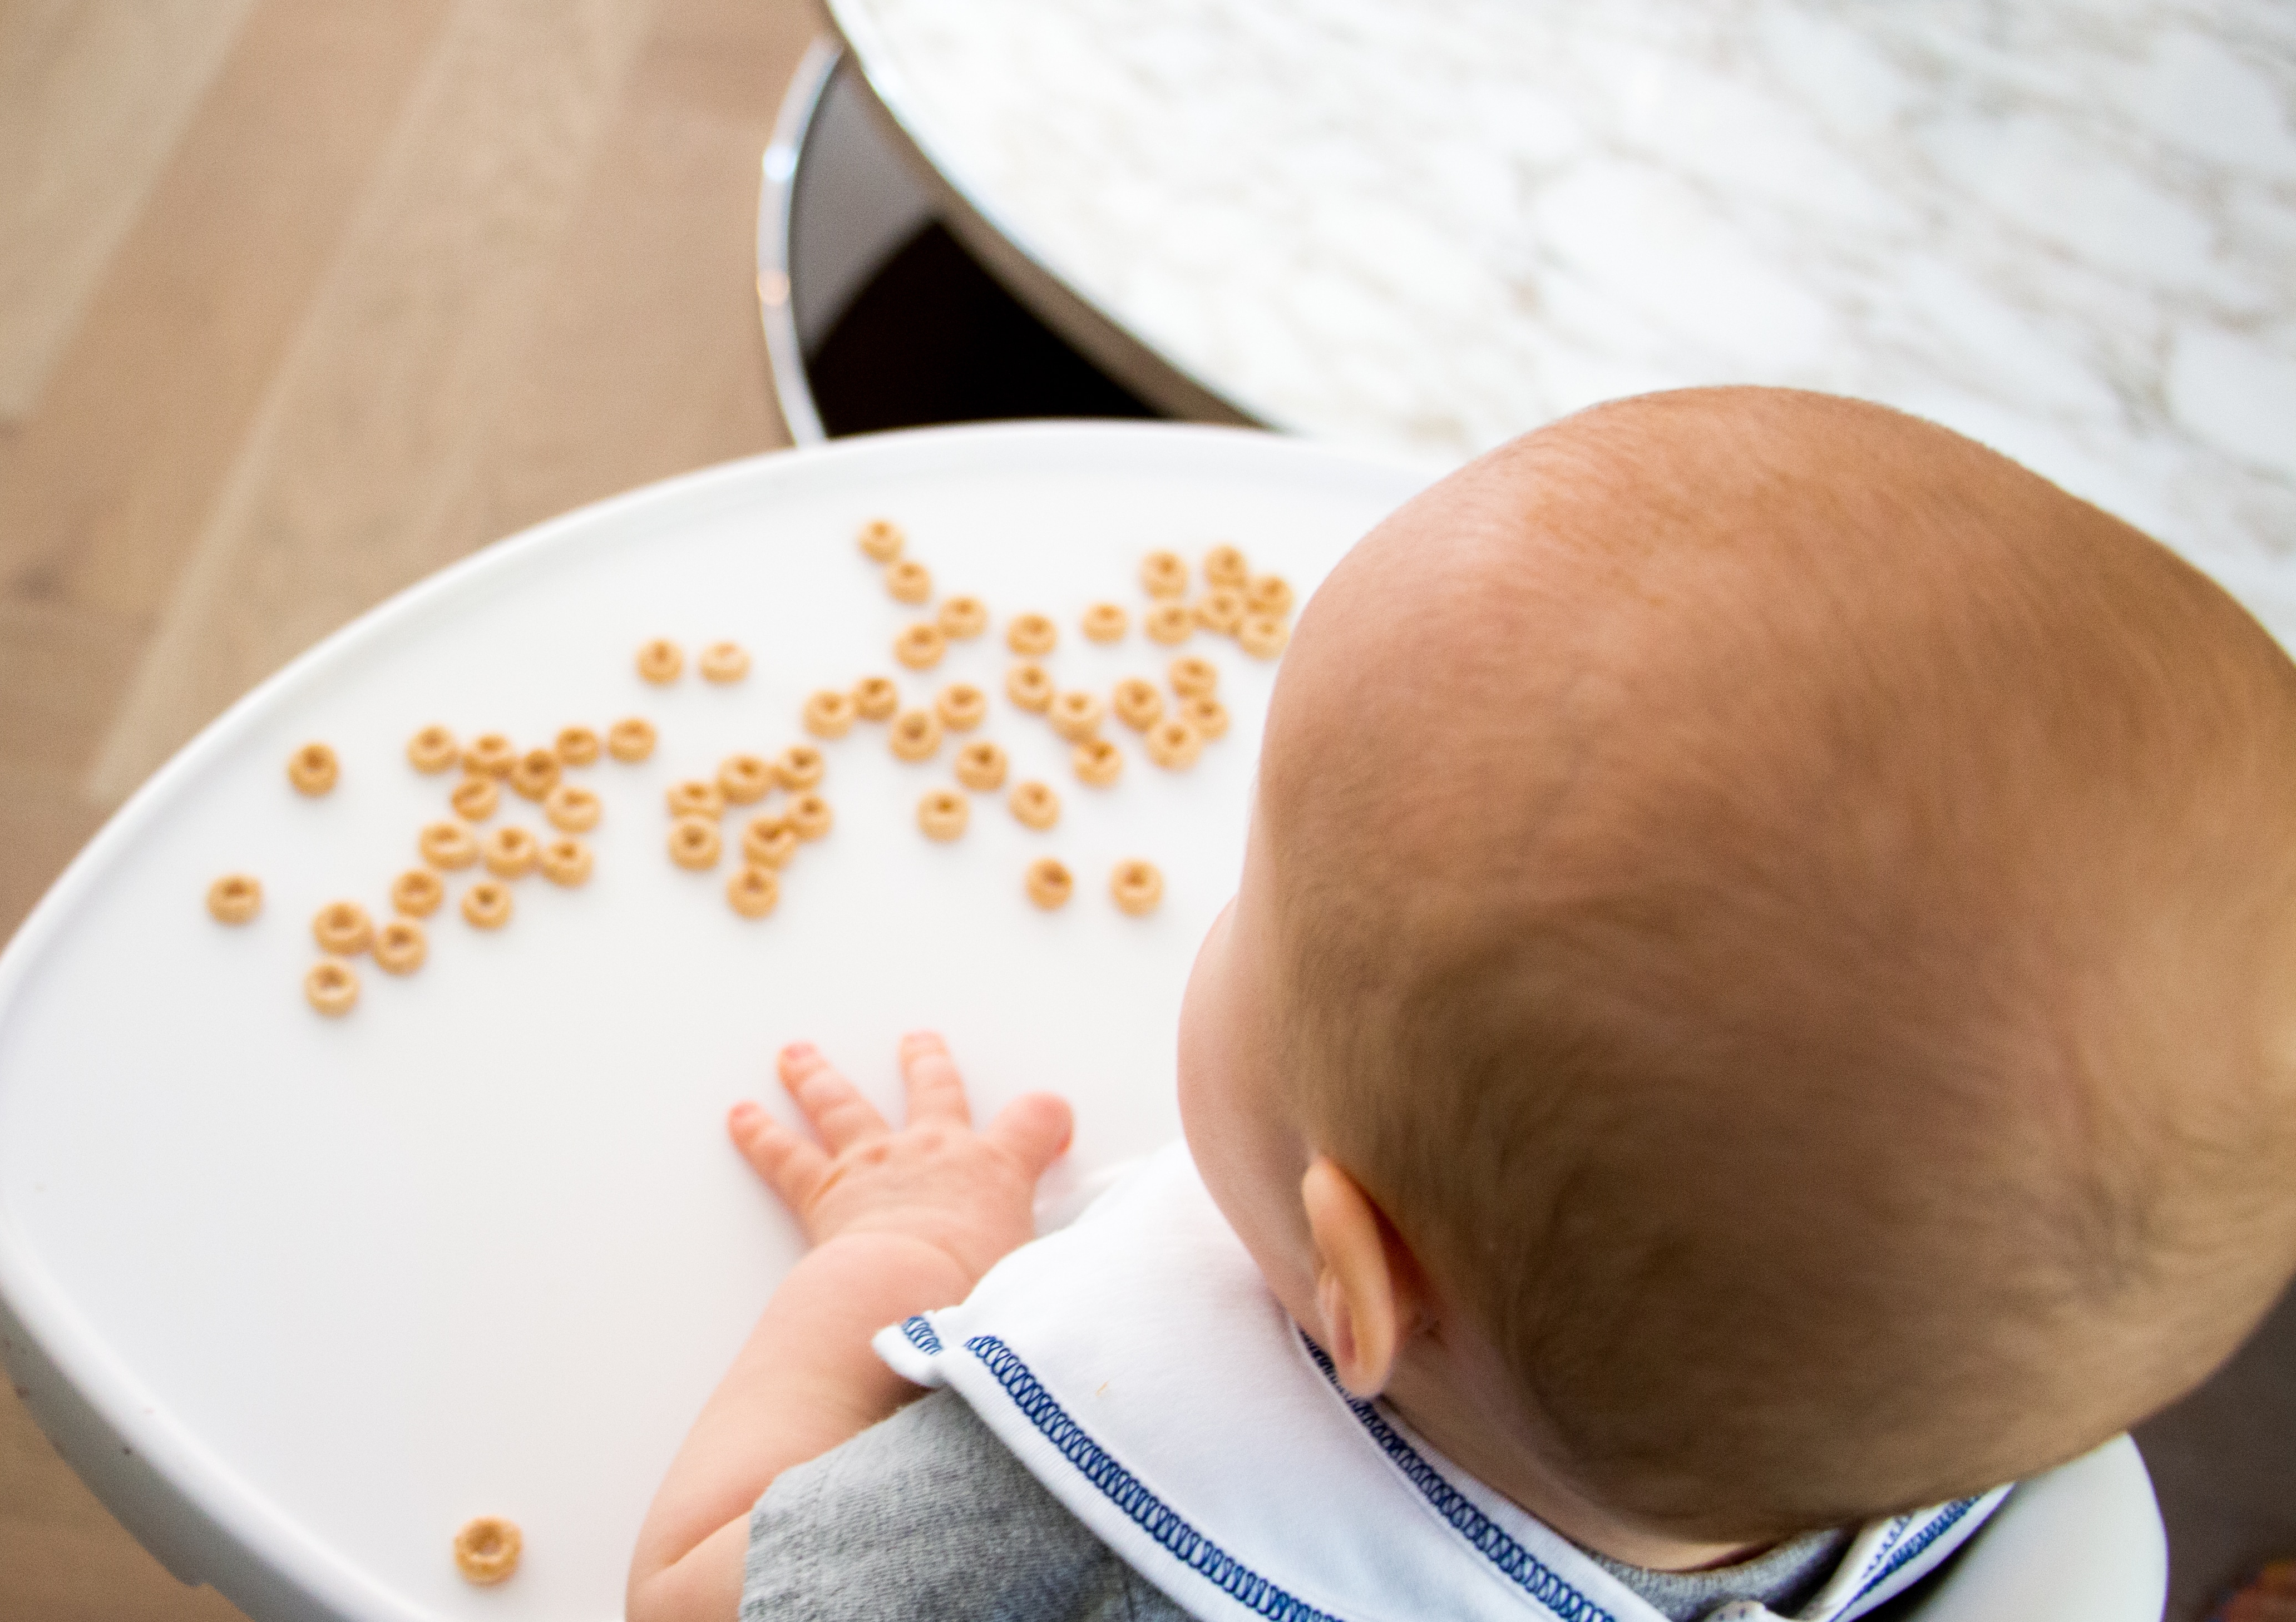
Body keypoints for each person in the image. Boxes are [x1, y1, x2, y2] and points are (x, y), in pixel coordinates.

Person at [627, 388, 2296, 1622]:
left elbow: (685, 1595)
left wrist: (905, 1254)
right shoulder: (1954, 1449)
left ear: (1355, 1277)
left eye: (1263, 889)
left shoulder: (1053, 1520)